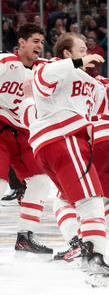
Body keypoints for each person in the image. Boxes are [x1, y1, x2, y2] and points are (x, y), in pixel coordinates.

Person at [29, 32, 109, 286]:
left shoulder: (88, 81)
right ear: (66, 53)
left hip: (57, 144)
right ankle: (93, 259)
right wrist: (75, 64)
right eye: (82, 50)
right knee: (92, 201)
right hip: (64, 138)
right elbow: (43, 77)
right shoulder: (50, 67)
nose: (88, 54)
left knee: (79, 200)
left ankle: (86, 252)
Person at [0, 24, 53, 255]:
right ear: (21, 42)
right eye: (34, 41)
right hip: (1, 126)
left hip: (24, 133)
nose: (39, 46)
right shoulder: (4, 62)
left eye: (42, 42)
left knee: (41, 181)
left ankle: (25, 237)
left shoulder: (44, 70)